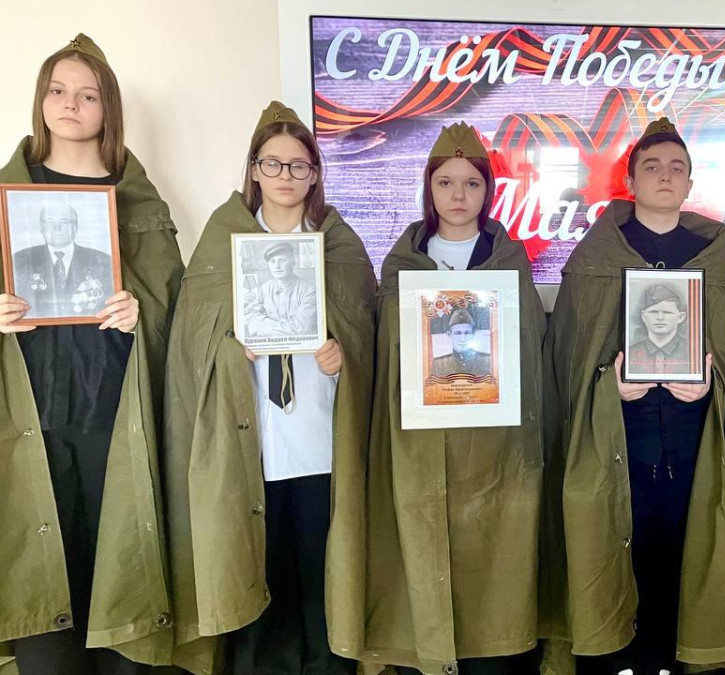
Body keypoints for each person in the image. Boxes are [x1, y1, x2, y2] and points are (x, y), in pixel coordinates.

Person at [164, 101, 376, 675]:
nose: (286, 175)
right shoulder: (221, 240)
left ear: (315, 174)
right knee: (256, 570)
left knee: (321, 572)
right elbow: (191, 341)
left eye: (299, 165)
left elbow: (369, 335)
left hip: (319, 442)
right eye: (273, 163)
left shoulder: (340, 245)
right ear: (254, 170)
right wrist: (229, 352)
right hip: (247, 442)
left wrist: (343, 357)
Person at [541, 117, 725, 675]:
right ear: (630, 181)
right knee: (613, 543)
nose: (665, 175)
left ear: (690, 184)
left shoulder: (712, 253)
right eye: (652, 166)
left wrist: (710, 383)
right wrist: (604, 387)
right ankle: (614, 657)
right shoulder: (594, 255)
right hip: (617, 434)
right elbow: (569, 351)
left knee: (679, 548)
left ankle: (668, 659)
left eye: (676, 168)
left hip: (688, 433)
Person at [0, 34, 183, 674]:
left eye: (88, 95)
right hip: (32, 415)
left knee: (120, 561)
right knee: (42, 566)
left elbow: (176, 308)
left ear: (109, 109)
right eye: (58, 90)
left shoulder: (137, 198)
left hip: (113, 412)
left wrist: (142, 315)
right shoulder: (6, 196)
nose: (70, 104)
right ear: (40, 99)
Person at [360, 122, 546, 675]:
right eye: (445, 182)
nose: (458, 195)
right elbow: (388, 351)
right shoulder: (402, 263)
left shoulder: (508, 259)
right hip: (422, 440)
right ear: (429, 188)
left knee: (491, 555)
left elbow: (529, 346)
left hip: (493, 443)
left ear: (488, 190)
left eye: (471, 183)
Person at [13, 199, 113, 317]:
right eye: (50, 222)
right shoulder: (19, 260)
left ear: (75, 227)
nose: (57, 228)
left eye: (64, 222)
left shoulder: (102, 261)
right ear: (41, 227)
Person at [243, 240, 319, 337]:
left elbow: (302, 328)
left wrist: (263, 326)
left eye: (282, 260)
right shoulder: (264, 289)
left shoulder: (309, 290)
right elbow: (250, 316)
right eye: (272, 262)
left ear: (292, 262)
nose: (277, 266)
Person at [626, 283, 691, 375]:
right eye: (653, 312)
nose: (660, 318)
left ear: (681, 317)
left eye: (667, 312)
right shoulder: (629, 354)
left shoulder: (693, 353)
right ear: (643, 316)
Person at [430, 307, 492, 378]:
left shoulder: (487, 361)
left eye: (467, 333)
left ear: (473, 333)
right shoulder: (438, 364)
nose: (462, 339)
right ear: (449, 335)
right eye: (457, 333)